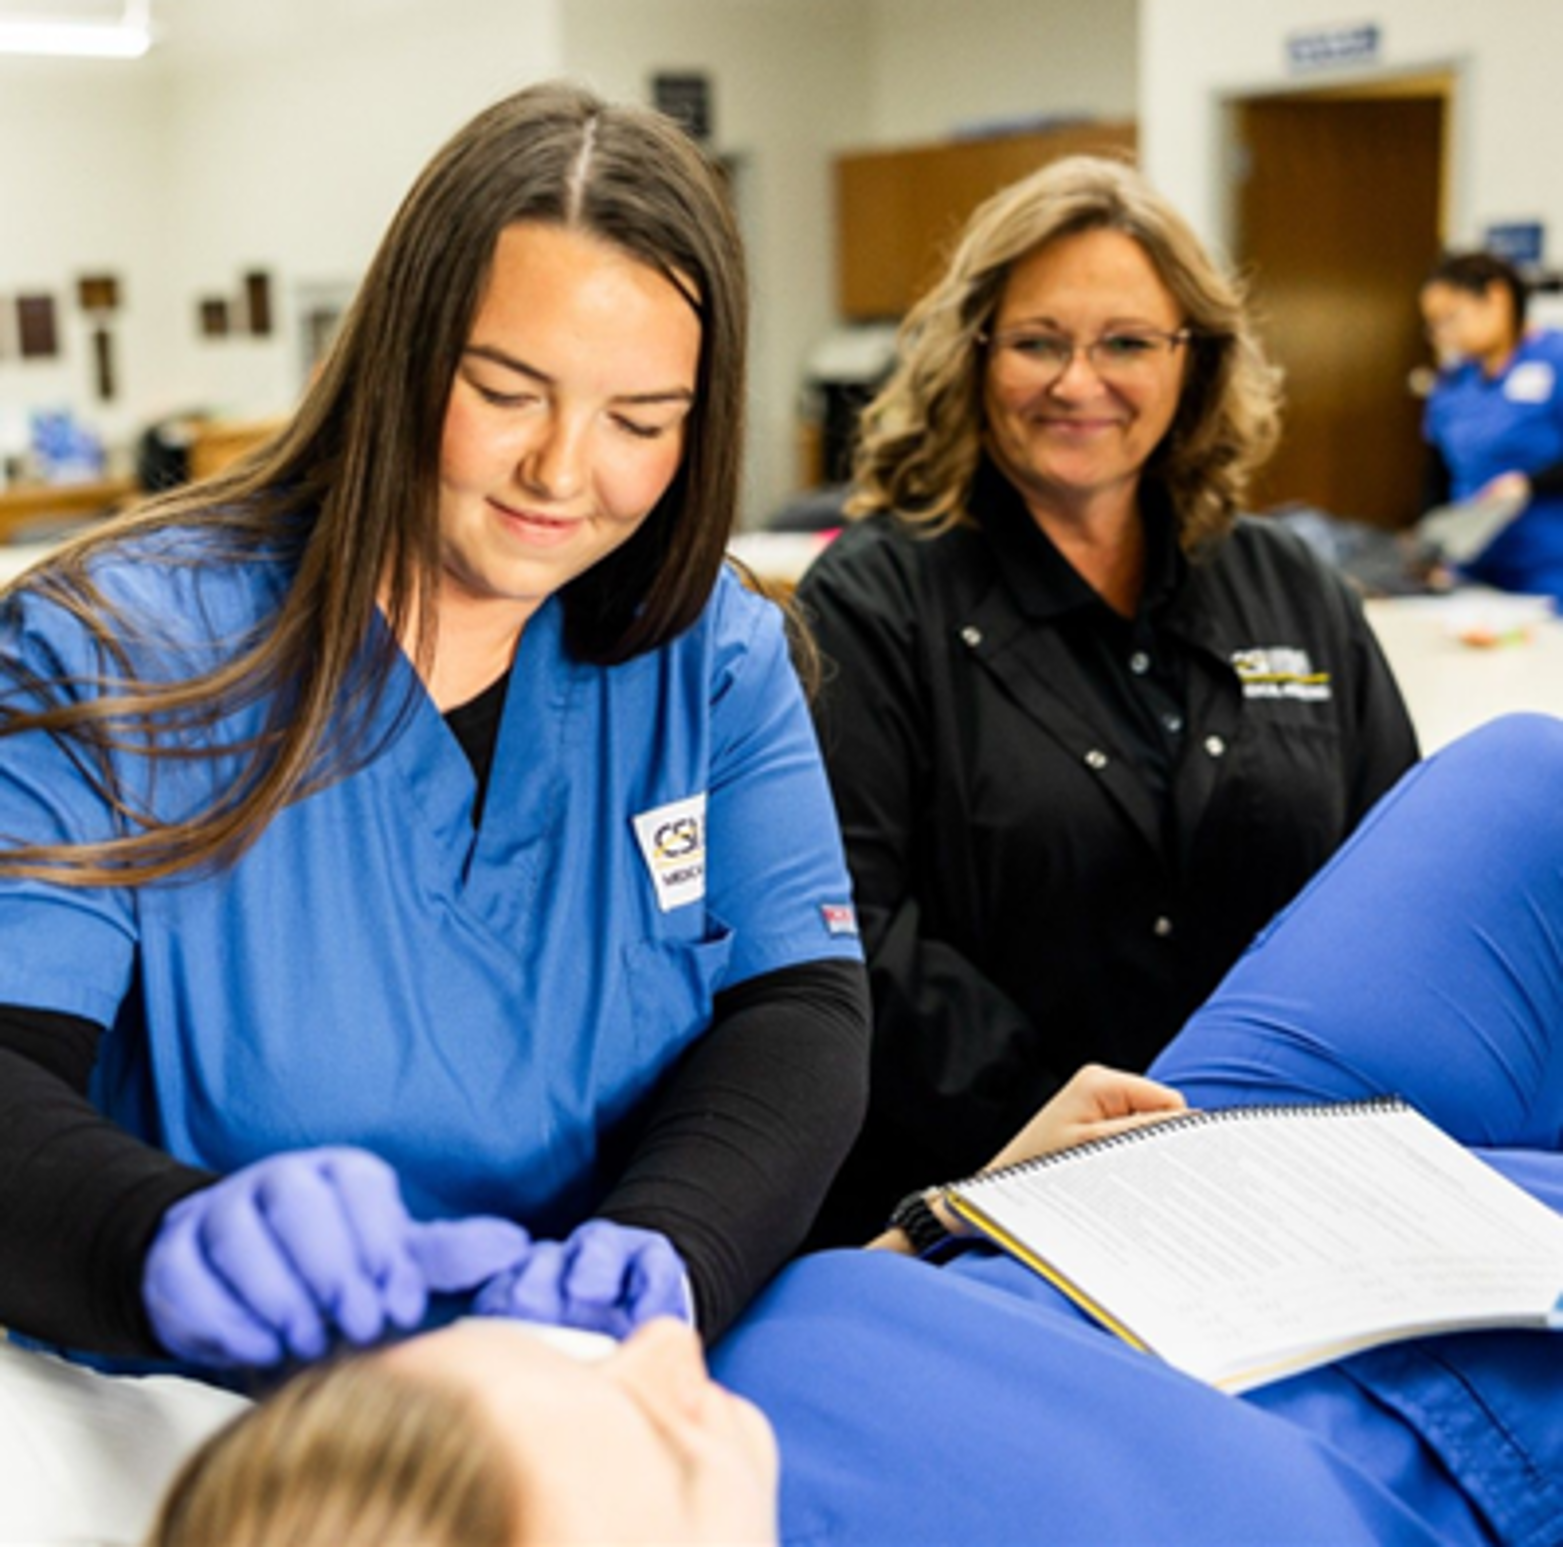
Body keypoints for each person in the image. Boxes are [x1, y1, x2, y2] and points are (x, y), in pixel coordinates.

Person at [148, 712, 1563, 1547]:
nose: (658, 1343)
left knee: (1520, 776)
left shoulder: (640, 1438)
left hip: (1117, 1204)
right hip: (1436, 1372)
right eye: (655, 1422)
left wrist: (952, 1211)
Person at [0, 80, 869, 1377]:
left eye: (639, 421)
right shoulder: (116, 649)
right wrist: (158, 1243)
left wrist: (677, 1242)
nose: (563, 470)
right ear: (401, 351)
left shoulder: (711, 660)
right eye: (508, 391)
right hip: (213, 1424)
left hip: (579, 1401)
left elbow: (797, 1009)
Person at [792, 153, 1418, 1243]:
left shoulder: (1294, 587)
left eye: (1128, 342)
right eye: (1038, 342)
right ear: (975, 356)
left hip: (1285, 1182)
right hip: (1000, 1196)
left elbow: (1395, 884)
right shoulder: (878, 597)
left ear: (1195, 360)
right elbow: (852, 932)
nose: (1080, 383)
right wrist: (1079, 1128)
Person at [1419, 248, 1563, 598]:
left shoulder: (1555, 359)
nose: (1443, 335)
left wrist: (1529, 484)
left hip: (1548, 564)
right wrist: (1432, 549)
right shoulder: (1454, 381)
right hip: (1472, 561)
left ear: (1496, 298)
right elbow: (1437, 471)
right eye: (1434, 325)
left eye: (1451, 318)